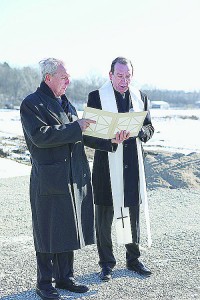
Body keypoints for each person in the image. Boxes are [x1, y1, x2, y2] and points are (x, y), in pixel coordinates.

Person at [20, 58, 97, 300]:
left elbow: (78, 137)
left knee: (67, 225)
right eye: (64, 77)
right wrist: (77, 127)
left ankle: (65, 277)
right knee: (47, 229)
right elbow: (40, 136)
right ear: (48, 78)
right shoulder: (31, 104)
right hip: (49, 178)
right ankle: (44, 283)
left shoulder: (66, 104)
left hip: (71, 175)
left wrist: (109, 140)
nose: (68, 81)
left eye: (68, 77)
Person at [86, 56, 154, 281]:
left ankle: (133, 259)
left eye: (128, 76)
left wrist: (142, 134)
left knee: (130, 214)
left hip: (132, 165)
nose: (124, 80)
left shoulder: (140, 97)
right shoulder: (96, 97)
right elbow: (87, 136)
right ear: (110, 75)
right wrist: (111, 141)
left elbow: (149, 126)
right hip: (106, 166)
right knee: (105, 217)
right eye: (120, 76)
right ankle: (106, 263)